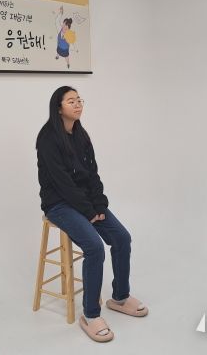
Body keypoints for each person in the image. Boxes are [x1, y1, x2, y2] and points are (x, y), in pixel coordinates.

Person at [36, 86, 148, 342]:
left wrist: (98, 205)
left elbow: (93, 175)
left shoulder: (80, 135)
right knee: (95, 247)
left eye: (79, 100)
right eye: (71, 101)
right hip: (58, 204)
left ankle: (120, 297)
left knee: (122, 238)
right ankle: (90, 314)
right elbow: (62, 183)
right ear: (58, 108)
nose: (78, 105)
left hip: (85, 202)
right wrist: (87, 211)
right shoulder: (47, 138)